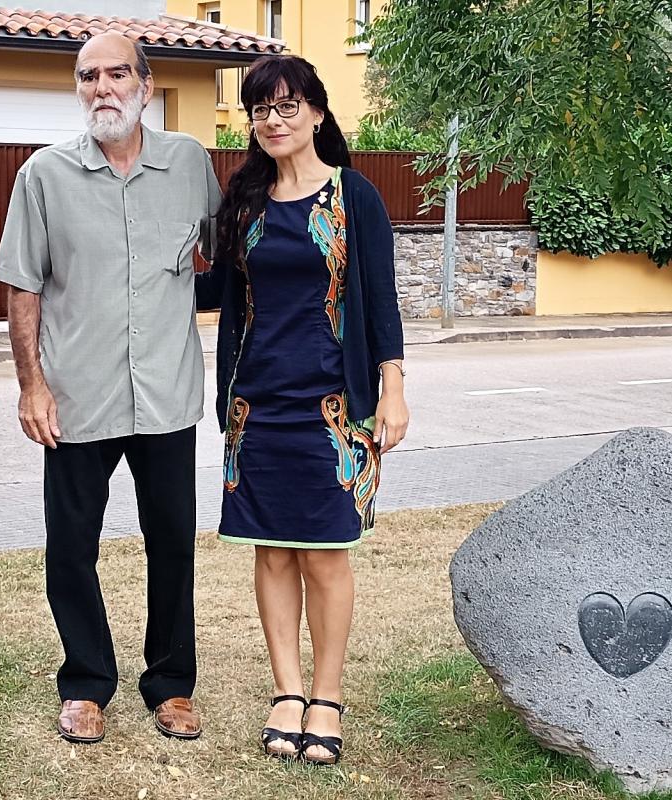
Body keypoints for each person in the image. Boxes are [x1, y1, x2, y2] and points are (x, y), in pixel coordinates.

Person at [0, 31, 221, 745]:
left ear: (145, 87)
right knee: (71, 548)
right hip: (77, 396)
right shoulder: (43, 176)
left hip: (166, 394)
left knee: (173, 545)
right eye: (88, 76)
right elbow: (21, 288)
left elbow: (214, 252)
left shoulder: (190, 163)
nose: (102, 88)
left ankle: (171, 683)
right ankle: (86, 684)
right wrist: (32, 386)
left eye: (117, 74)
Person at [204, 55, 408, 766]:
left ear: (318, 113)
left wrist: (394, 385)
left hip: (334, 407)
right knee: (272, 550)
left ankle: (326, 697)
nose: (274, 120)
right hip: (255, 405)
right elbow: (218, 294)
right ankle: (285, 692)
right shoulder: (245, 199)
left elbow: (381, 298)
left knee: (324, 554)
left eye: (288, 106)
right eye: (262, 109)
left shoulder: (355, 196)